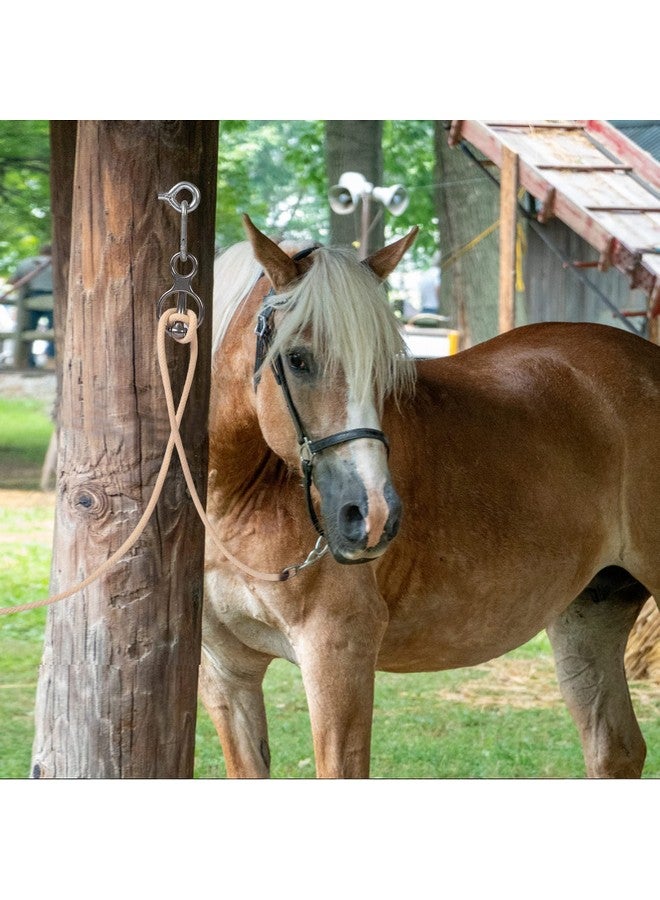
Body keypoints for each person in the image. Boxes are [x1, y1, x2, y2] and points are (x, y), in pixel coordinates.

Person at [8, 244, 54, 368]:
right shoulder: (58, 263)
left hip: (31, 297)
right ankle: (52, 360)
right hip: (54, 297)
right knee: (55, 330)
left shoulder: (26, 263)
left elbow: (12, 281)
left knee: (27, 330)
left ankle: (27, 361)